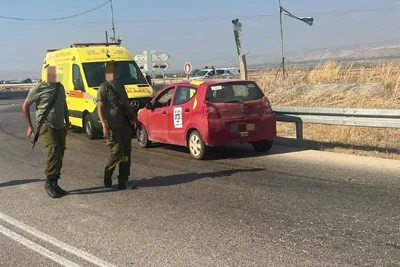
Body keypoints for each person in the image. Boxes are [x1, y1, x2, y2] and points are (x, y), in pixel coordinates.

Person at [22, 65, 69, 198]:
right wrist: (29, 126)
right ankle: (49, 182)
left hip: (60, 126)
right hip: (46, 126)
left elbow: (64, 104)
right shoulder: (39, 88)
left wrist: (67, 121)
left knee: (60, 153)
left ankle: (55, 182)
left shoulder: (60, 87)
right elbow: (25, 105)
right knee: (53, 150)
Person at [97, 61, 137, 190]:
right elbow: (100, 107)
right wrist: (104, 125)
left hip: (124, 124)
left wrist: (134, 118)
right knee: (117, 151)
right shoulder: (104, 87)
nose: (113, 74)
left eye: (115, 71)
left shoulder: (121, 86)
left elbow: (126, 104)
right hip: (112, 126)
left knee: (126, 152)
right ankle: (108, 173)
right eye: (111, 71)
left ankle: (123, 180)